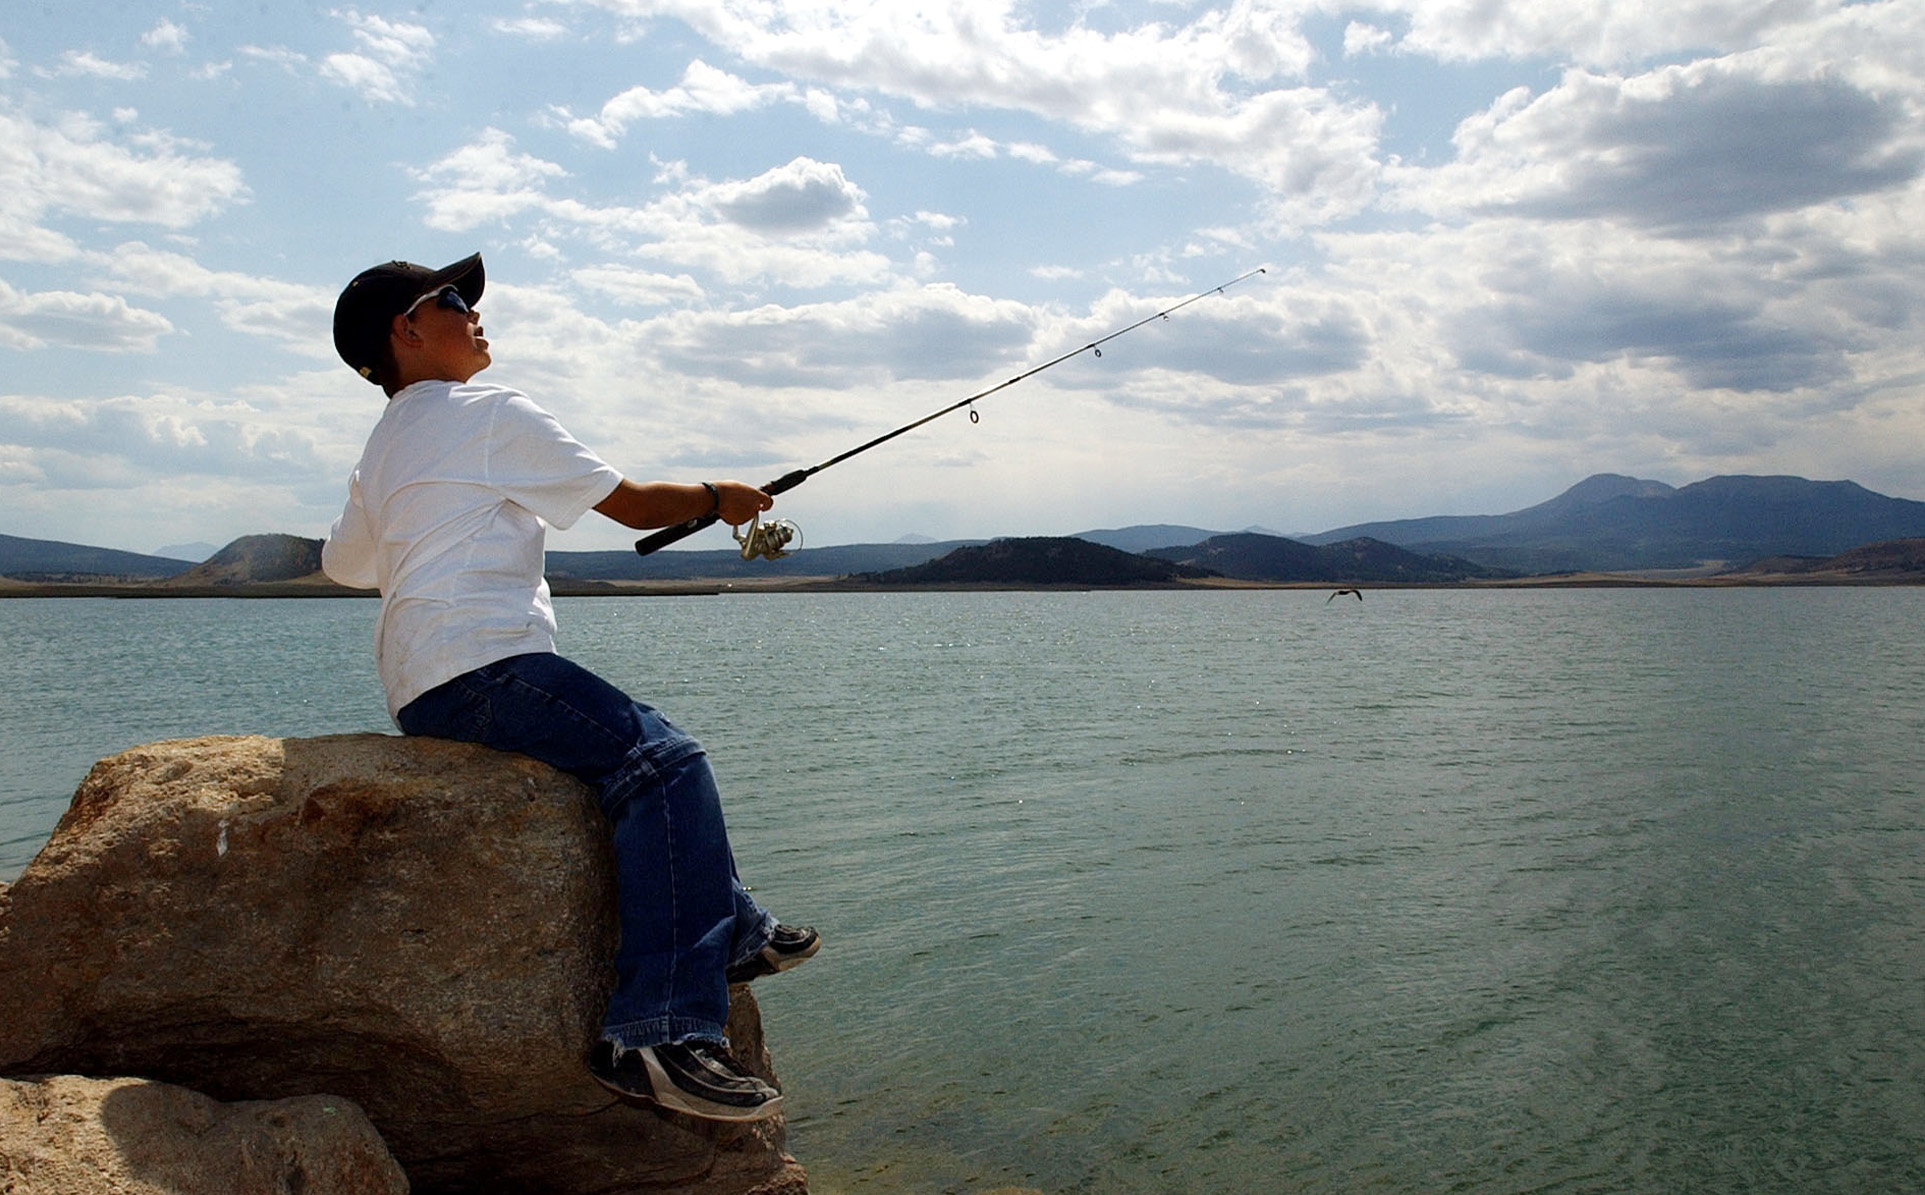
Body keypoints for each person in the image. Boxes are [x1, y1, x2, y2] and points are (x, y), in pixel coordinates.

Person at [321, 252, 817, 1123]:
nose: (475, 311)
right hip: (486, 662)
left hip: (417, 684)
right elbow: (626, 504)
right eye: (453, 300)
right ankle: (656, 1034)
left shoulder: (381, 446)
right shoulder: (487, 412)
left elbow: (345, 565)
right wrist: (722, 494)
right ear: (407, 330)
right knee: (664, 761)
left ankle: (733, 926)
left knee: (643, 752)